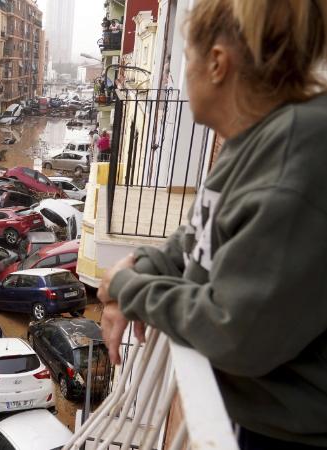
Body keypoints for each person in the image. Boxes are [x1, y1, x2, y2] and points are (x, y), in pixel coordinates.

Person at [97, 0, 327, 449]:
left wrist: (128, 288)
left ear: (217, 63)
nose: (184, 74)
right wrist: (144, 264)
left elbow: (235, 329)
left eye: (187, 59)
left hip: (283, 435)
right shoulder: (254, 140)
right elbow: (194, 238)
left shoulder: (296, 155)